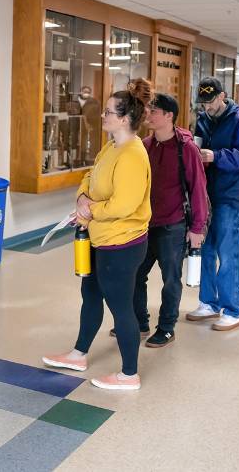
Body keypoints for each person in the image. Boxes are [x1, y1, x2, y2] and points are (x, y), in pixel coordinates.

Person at [42, 79, 153, 389]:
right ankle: (78, 353)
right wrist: (81, 198)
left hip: (121, 242)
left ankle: (129, 374)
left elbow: (125, 204)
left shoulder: (132, 153)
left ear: (125, 118)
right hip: (98, 236)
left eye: (107, 112)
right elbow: (90, 176)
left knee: (121, 307)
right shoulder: (111, 146)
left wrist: (90, 210)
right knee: (90, 294)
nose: (102, 116)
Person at [123, 92, 207, 347]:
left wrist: (197, 228)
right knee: (136, 274)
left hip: (173, 224)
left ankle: (167, 327)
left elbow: (198, 189)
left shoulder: (187, 149)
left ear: (169, 116)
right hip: (144, 224)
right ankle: (139, 322)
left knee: (171, 279)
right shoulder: (145, 146)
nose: (148, 115)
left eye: (154, 111)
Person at [185, 77, 239, 331]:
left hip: (230, 195)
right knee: (206, 249)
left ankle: (232, 309)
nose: (207, 108)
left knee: (229, 253)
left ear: (223, 95)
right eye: (203, 103)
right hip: (206, 195)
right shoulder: (203, 119)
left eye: (211, 102)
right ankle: (209, 302)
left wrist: (216, 156)